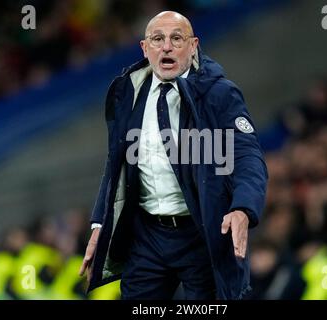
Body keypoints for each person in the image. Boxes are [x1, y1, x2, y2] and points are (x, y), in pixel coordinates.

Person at [79, 11, 268, 300]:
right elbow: (116, 163)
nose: (166, 47)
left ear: (193, 46)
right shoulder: (130, 94)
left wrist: (243, 207)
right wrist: (100, 223)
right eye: (158, 39)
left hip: (201, 234)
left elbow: (246, 156)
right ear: (145, 48)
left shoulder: (218, 95)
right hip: (147, 238)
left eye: (176, 39)